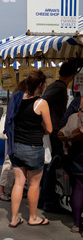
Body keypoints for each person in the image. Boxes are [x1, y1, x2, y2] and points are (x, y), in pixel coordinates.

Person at [6, 70, 52, 228]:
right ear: (40, 85)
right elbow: (50, 129)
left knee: (19, 182)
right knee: (33, 184)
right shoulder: (41, 103)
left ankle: (14, 218)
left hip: (16, 146)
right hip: (33, 147)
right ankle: (33, 217)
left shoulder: (17, 98)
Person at [40, 61, 78, 212]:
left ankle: (47, 199)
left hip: (54, 130)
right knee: (52, 167)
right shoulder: (59, 87)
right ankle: (48, 201)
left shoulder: (57, 86)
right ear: (73, 74)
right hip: (54, 132)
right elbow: (42, 102)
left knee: (51, 167)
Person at [58, 95, 83, 236]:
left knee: (79, 186)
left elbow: (62, 127)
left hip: (77, 151)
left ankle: (77, 224)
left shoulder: (77, 102)